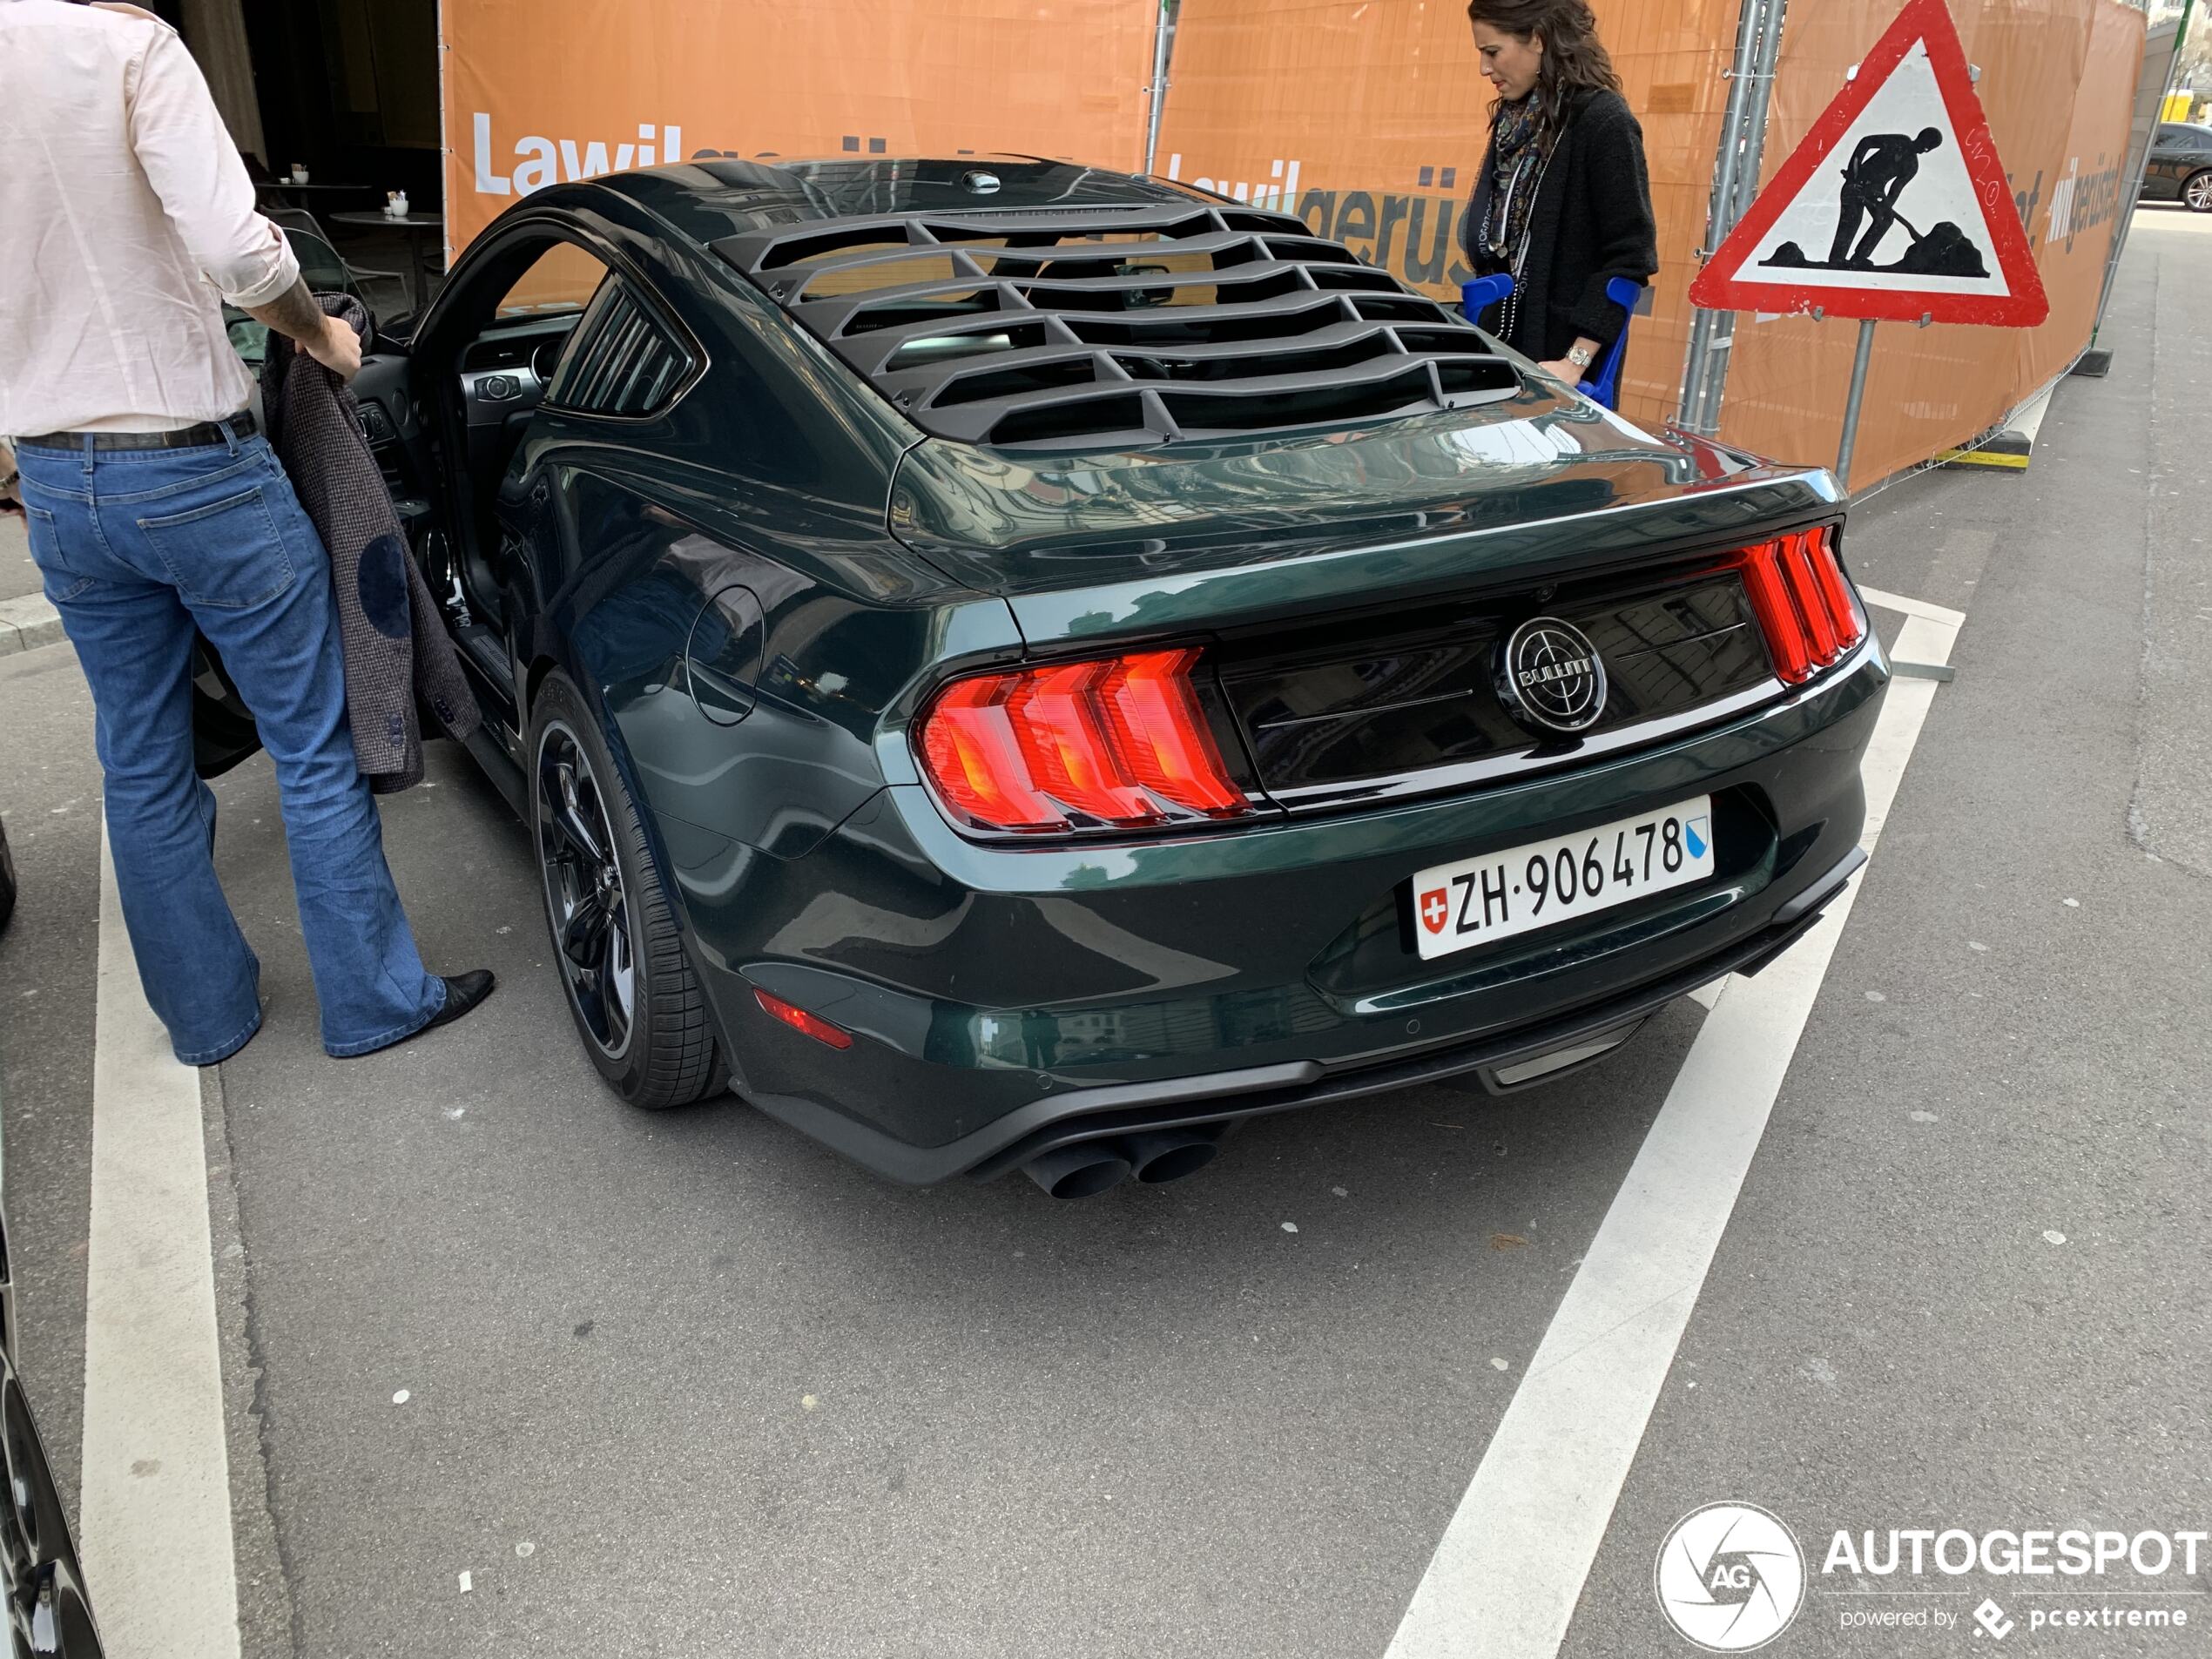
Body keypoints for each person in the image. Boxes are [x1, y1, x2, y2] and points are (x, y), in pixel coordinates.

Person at [0, 0, 493, 1064]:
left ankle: (208, 1019)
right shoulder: (126, 48)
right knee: (309, 746)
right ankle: (373, 1001)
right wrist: (324, 336)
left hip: (54, 477)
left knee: (139, 759)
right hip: (191, 462)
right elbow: (241, 256)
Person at [1461, 0, 1658, 390]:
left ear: (1537, 39)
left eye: (1493, 52)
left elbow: (1629, 259)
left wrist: (1575, 363)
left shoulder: (1605, 122)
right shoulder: (1514, 121)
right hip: (1498, 358)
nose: (1485, 68)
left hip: (1560, 376)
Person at [1828, 127, 1945, 268]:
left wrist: (1885, 208)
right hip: (1856, 183)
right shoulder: (1900, 141)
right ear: (1921, 137)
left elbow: (1894, 191)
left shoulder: (1912, 166)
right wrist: (1854, 172)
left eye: (1929, 148)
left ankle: (1859, 258)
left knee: (1886, 219)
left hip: (1876, 193)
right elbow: (1866, 142)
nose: (1926, 150)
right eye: (1927, 145)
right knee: (1852, 218)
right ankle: (1837, 259)